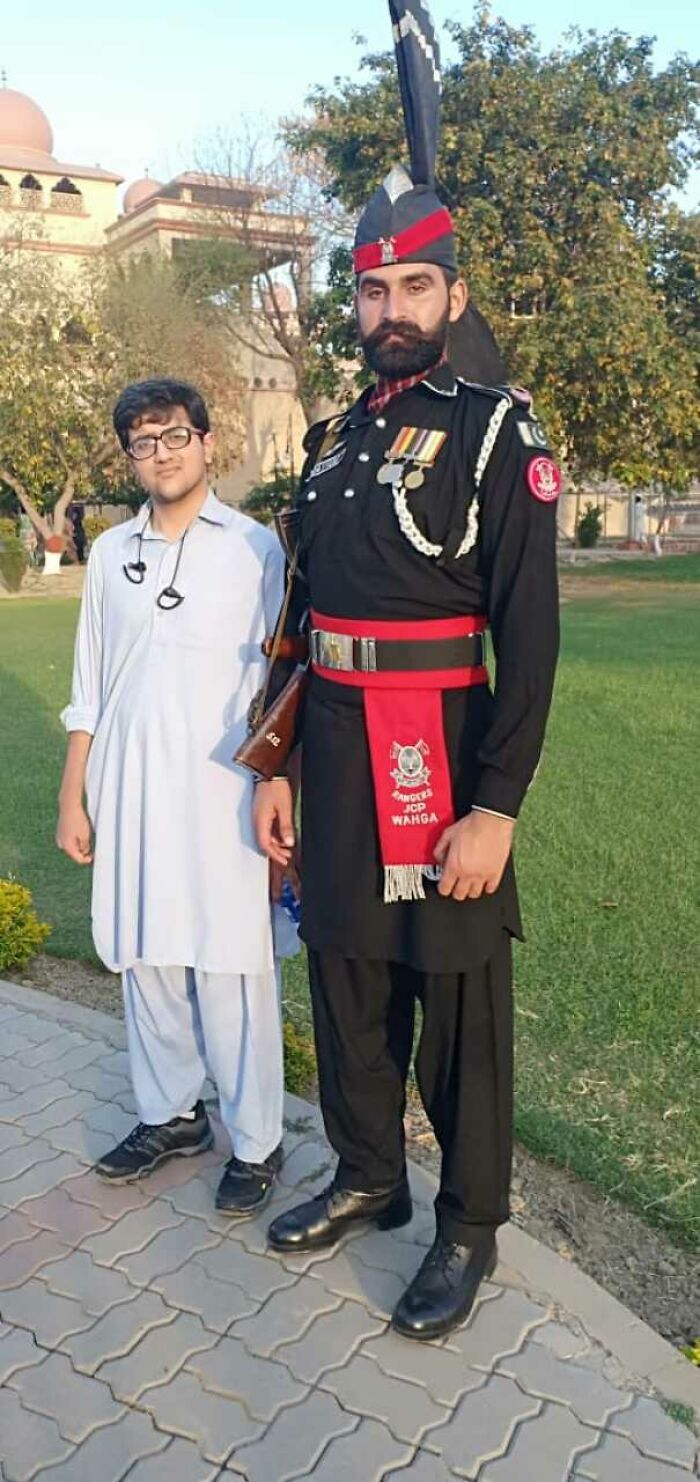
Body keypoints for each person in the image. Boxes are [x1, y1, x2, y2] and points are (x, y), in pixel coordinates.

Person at [253, 0, 560, 1340]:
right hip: (328, 746)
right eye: (370, 289)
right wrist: (275, 765)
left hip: (438, 737)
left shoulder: (497, 434)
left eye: (412, 287)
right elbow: (305, 611)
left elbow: (532, 629)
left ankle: (467, 1224)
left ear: (453, 295)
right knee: (348, 972)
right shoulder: (328, 438)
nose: (387, 309)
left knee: (455, 999)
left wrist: (496, 804)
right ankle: (369, 1172)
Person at [57, 376, 293, 1217]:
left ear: (206, 442)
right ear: (130, 456)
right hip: (130, 787)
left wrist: (281, 781)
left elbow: (282, 679)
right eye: (143, 442)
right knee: (147, 955)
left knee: (230, 961)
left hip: (226, 791)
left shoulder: (254, 548)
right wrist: (73, 794)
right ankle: (172, 1115)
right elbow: (90, 684)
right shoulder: (113, 557)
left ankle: (258, 1140)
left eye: (174, 436)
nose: (160, 454)